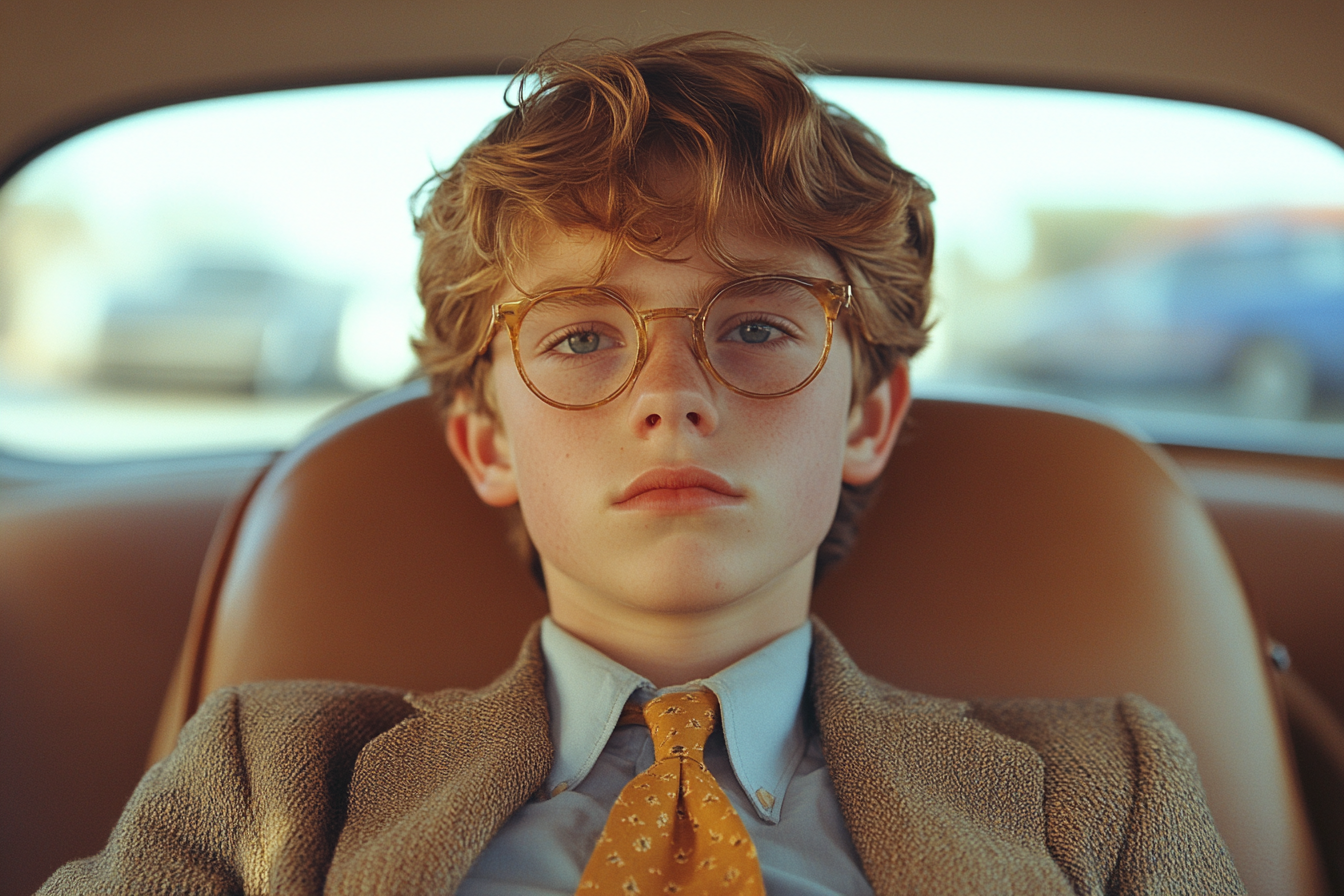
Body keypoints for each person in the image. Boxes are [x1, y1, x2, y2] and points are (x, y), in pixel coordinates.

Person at [40, 32, 1244, 895]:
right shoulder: (277, 779)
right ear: (486, 439)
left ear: (868, 419)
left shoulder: (1099, 783)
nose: (670, 393)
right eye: (578, 337)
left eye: (760, 327)